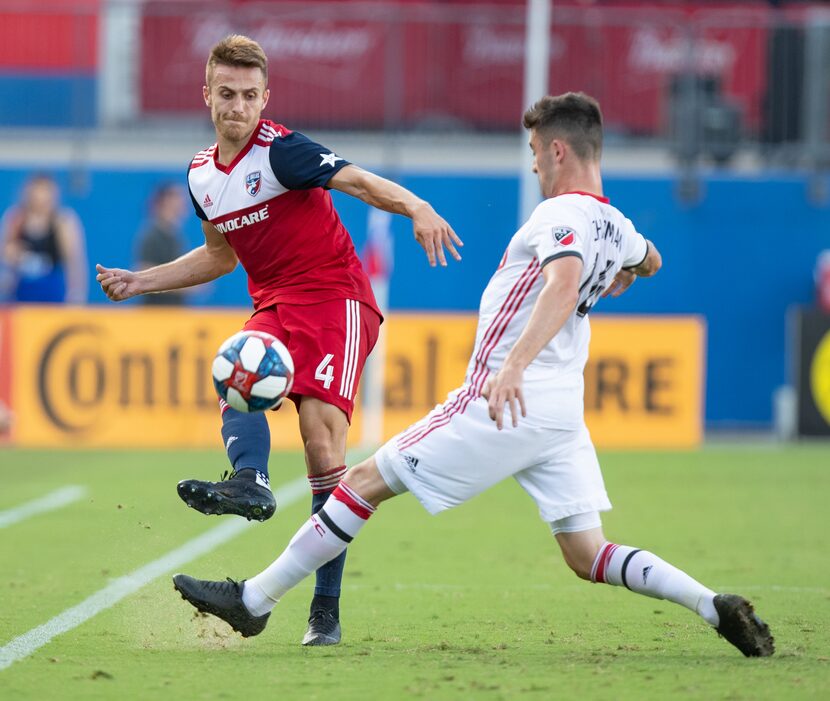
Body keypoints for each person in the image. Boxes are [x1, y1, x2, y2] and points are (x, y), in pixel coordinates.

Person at [171, 92, 774, 658]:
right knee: (587, 551)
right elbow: (651, 259)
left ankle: (254, 601)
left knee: (359, 482)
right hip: (562, 416)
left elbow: (563, 283)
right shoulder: (616, 226)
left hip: (501, 401)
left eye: (536, 154)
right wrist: (622, 271)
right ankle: (710, 604)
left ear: (558, 151)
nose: (535, 166)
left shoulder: (558, 213)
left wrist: (512, 368)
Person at [96, 34, 461, 646]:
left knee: (322, 447)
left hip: (337, 299)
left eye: (248, 95)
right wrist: (141, 282)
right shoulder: (200, 177)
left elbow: (361, 183)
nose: (236, 106)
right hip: (275, 303)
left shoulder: (283, 153)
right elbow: (218, 257)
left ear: (265, 99)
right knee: (234, 371)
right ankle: (251, 482)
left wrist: (416, 206)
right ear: (207, 95)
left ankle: (325, 608)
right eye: (225, 94)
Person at [0, 174, 87, 304]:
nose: (41, 198)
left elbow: (74, 262)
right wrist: (14, 255)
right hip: (21, 289)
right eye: (38, 192)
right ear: (29, 194)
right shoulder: (16, 218)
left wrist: (76, 295)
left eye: (46, 192)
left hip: (51, 290)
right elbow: (4, 253)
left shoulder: (63, 221)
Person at [134, 183, 189, 305]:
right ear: (166, 201)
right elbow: (142, 271)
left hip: (174, 313)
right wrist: (189, 282)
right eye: (178, 197)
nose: (184, 203)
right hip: (155, 314)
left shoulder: (175, 236)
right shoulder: (152, 235)